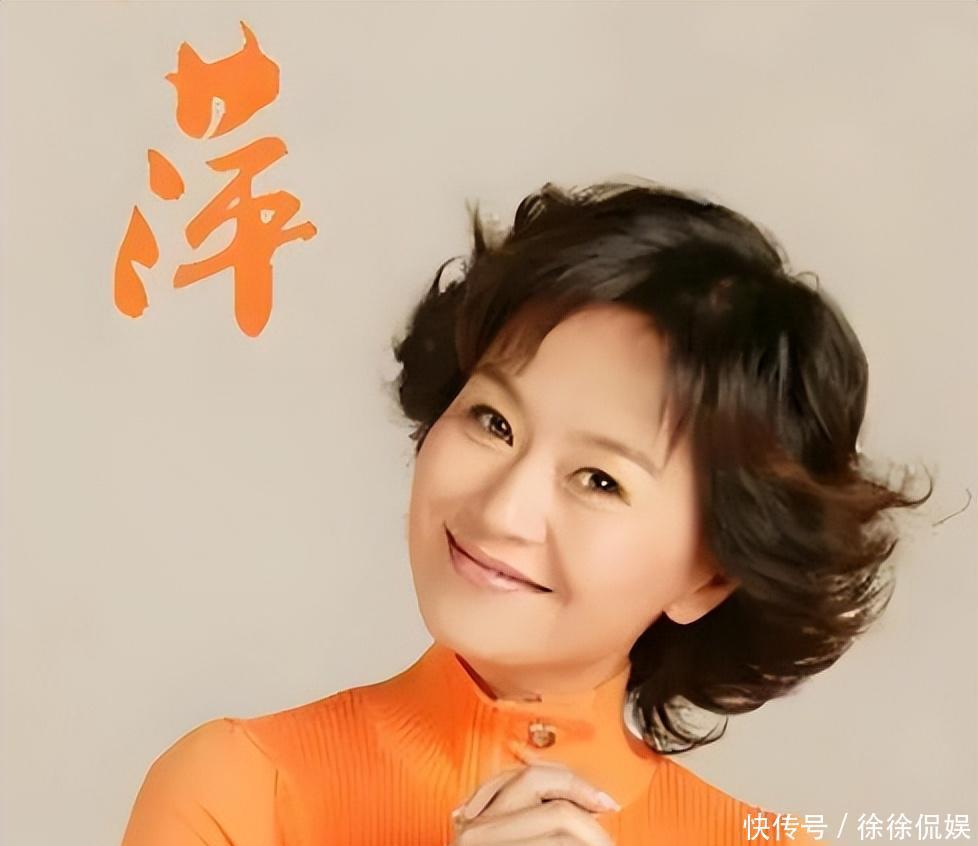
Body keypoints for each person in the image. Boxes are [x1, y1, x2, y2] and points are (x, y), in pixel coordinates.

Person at [119, 179, 931, 846]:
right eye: (493, 422)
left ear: (710, 576)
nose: (503, 508)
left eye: (599, 481)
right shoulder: (241, 790)